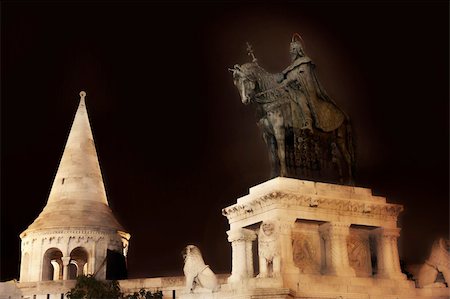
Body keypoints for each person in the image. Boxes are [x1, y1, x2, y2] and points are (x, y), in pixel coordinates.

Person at [279, 33, 346, 134]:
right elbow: (285, 75)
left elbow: (298, 75)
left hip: (305, 91)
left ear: (298, 50)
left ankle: (308, 123)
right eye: (290, 50)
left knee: (302, 100)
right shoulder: (291, 66)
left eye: (293, 49)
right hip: (292, 91)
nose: (291, 52)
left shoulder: (305, 62)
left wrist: (287, 81)